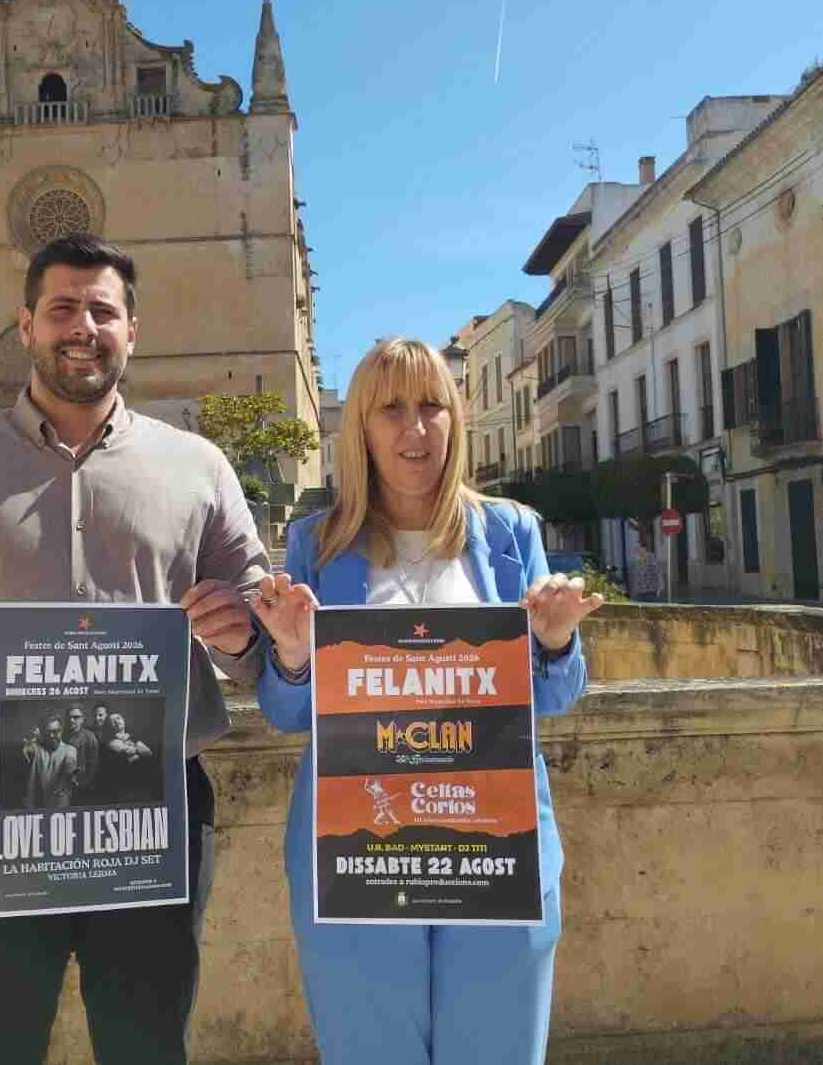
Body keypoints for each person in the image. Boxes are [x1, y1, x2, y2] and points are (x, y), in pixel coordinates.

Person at [0, 232, 269, 1065]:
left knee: (147, 1049)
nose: (83, 326)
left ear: (132, 330)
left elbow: (267, 636)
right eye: (62, 308)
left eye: (103, 310)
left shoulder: (202, 468)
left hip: (154, 812)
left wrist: (245, 634)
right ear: (25, 325)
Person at [251, 338, 604, 1065]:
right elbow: (290, 714)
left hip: (496, 853)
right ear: (362, 430)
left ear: (455, 419)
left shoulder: (510, 533)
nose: (415, 429)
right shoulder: (315, 541)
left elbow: (555, 696)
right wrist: (290, 654)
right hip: (357, 857)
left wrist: (556, 642)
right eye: (392, 410)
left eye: (431, 407)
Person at [25, 715, 79, 808]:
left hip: (61, 808)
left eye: (55, 731)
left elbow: (70, 762)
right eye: (48, 732)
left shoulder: (70, 750)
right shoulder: (38, 750)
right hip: (38, 806)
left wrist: (69, 774)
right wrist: (31, 740)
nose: (51, 736)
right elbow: (28, 748)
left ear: (61, 731)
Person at [64, 703, 100, 798]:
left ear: (83, 719)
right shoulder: (62, 735)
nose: (72, 720)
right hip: (64, 786)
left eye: (76, 717)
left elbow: (93, 766)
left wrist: (81, 783)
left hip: (83, 788)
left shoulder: (90, 737)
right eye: (69, 717)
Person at [630, 537, 664, 602]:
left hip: (650, 593)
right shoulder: (636, 561)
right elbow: (635, 578)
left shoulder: (652, 559)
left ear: (644, 548)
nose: (636, 550)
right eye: (636, 549)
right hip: (639, 594)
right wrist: (634, 593)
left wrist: (659, 589)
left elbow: (658, 573)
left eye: (638, 548)